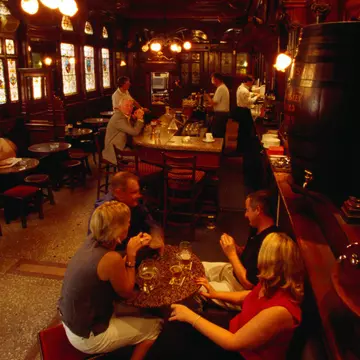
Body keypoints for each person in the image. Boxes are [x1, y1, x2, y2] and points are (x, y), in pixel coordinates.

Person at [146, 232, 304, 360]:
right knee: (176, 327)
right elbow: (248, 296)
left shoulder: (280, 311)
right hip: (234, 328)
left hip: (242, 353)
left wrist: (190, 316)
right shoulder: (272, 282)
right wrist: (215, 294)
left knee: (179, 332)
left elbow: (233, 343)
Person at [58, 201, 162, 359]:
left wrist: (133, 247)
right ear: (119, 231)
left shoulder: (92, 240)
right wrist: (131, 255)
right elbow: (127, 292)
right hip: (87, 336)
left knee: (138, 314)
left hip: (71, 320)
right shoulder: (110, 259)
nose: (130, 224)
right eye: (127, 222)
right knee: (155, 326)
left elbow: (111, 266)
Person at [202, 190, 278, 309]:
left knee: (195, 289)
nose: (245, 215)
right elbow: (250, 256)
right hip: (233, 272)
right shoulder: (256, 228)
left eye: (247, 210)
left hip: (239, 289)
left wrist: (231, 254)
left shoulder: (270, 242)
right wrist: (236, 248)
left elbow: (249, 284)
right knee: (196, 266)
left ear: (258, 210)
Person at [92, 171, 164, 254]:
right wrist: (132, 252)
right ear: (118, 192)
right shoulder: (105, 212)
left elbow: (150, 221)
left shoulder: (134, 202)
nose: (138, 195)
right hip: (115, 255)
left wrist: (156, 236)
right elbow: (101, 251)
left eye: (138, 191)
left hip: (134, 246)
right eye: (133, 192)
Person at [234, 75, 264, 192]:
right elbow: (248, 101)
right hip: (243, 112)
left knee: (242, 131)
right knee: (244, 131)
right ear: (247, 82)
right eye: (251, 82)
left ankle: (241, 147)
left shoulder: (242, 88)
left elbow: (248, 94)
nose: (252, 84)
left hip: (241, 111)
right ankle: (242, 148)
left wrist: (254, 95)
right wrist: (256, 98)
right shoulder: (243, 90)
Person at [102, 98, 144, 164]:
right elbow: (135, 132)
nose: (129, 108)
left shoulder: (121, 115)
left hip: (120, 147)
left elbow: (128, 127)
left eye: (131, 106)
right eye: (126, 105)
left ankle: (128, 171)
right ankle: (128, 173)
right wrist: (140, 119)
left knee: (139, 151)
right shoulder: (119, 118)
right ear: (119, 107)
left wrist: (134, 118)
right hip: (114, 152)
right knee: (141, 157)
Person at [206, 73, 230, 138]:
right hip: (222, 114)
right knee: (220, 133)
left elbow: (214, 102)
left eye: (212, 79)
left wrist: (207, 96)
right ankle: (221, 147)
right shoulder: (222, 87)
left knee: (217, 134)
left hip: (220, 114)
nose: (212, 81)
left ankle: (219, 147)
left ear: (216, 79)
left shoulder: (221, 88)